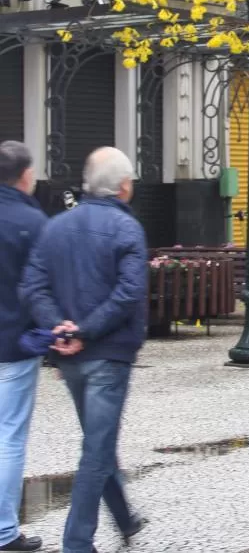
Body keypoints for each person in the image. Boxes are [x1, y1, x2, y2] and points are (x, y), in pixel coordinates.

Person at [19, 147, 148, 553]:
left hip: (70, 355)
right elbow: (130, 291)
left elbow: (32, 286)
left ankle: (125, 519)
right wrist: (86, 331)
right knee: (97, 447)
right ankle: (77, 543)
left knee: (98, 440)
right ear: (124, 186)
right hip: (108, 353)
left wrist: (59, 327)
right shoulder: (127, 230)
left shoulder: (55, 227)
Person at [0, 142, 47, 553]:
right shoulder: (32, 221)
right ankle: (4, 532)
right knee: (10, 437)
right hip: (14, 345)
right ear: (25, 175)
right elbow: (42, 287)